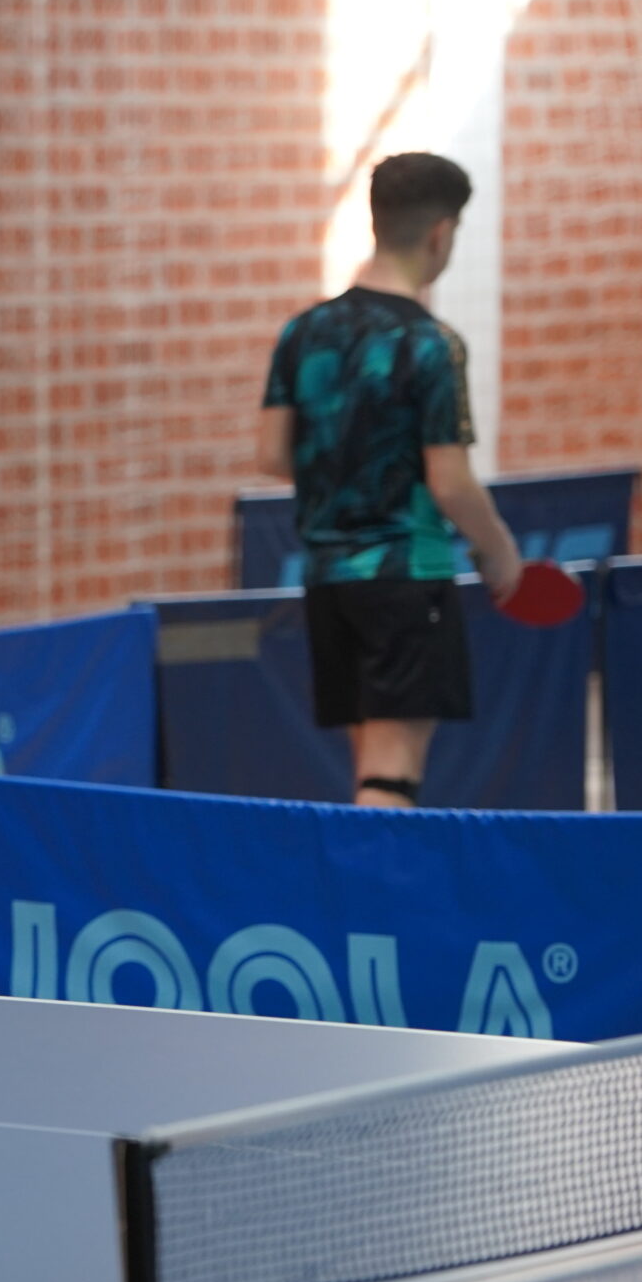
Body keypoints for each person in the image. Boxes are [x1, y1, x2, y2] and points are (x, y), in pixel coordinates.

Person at [257, 152, 523, 808]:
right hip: (405, 579)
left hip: (328, 582)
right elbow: (450, 482)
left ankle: (367, 871)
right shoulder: (431, 344)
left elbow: (273, 454)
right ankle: (372, 879)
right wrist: (499, 550)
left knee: (369, 773)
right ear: (440, 233)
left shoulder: (302, 333)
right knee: (391, 775)